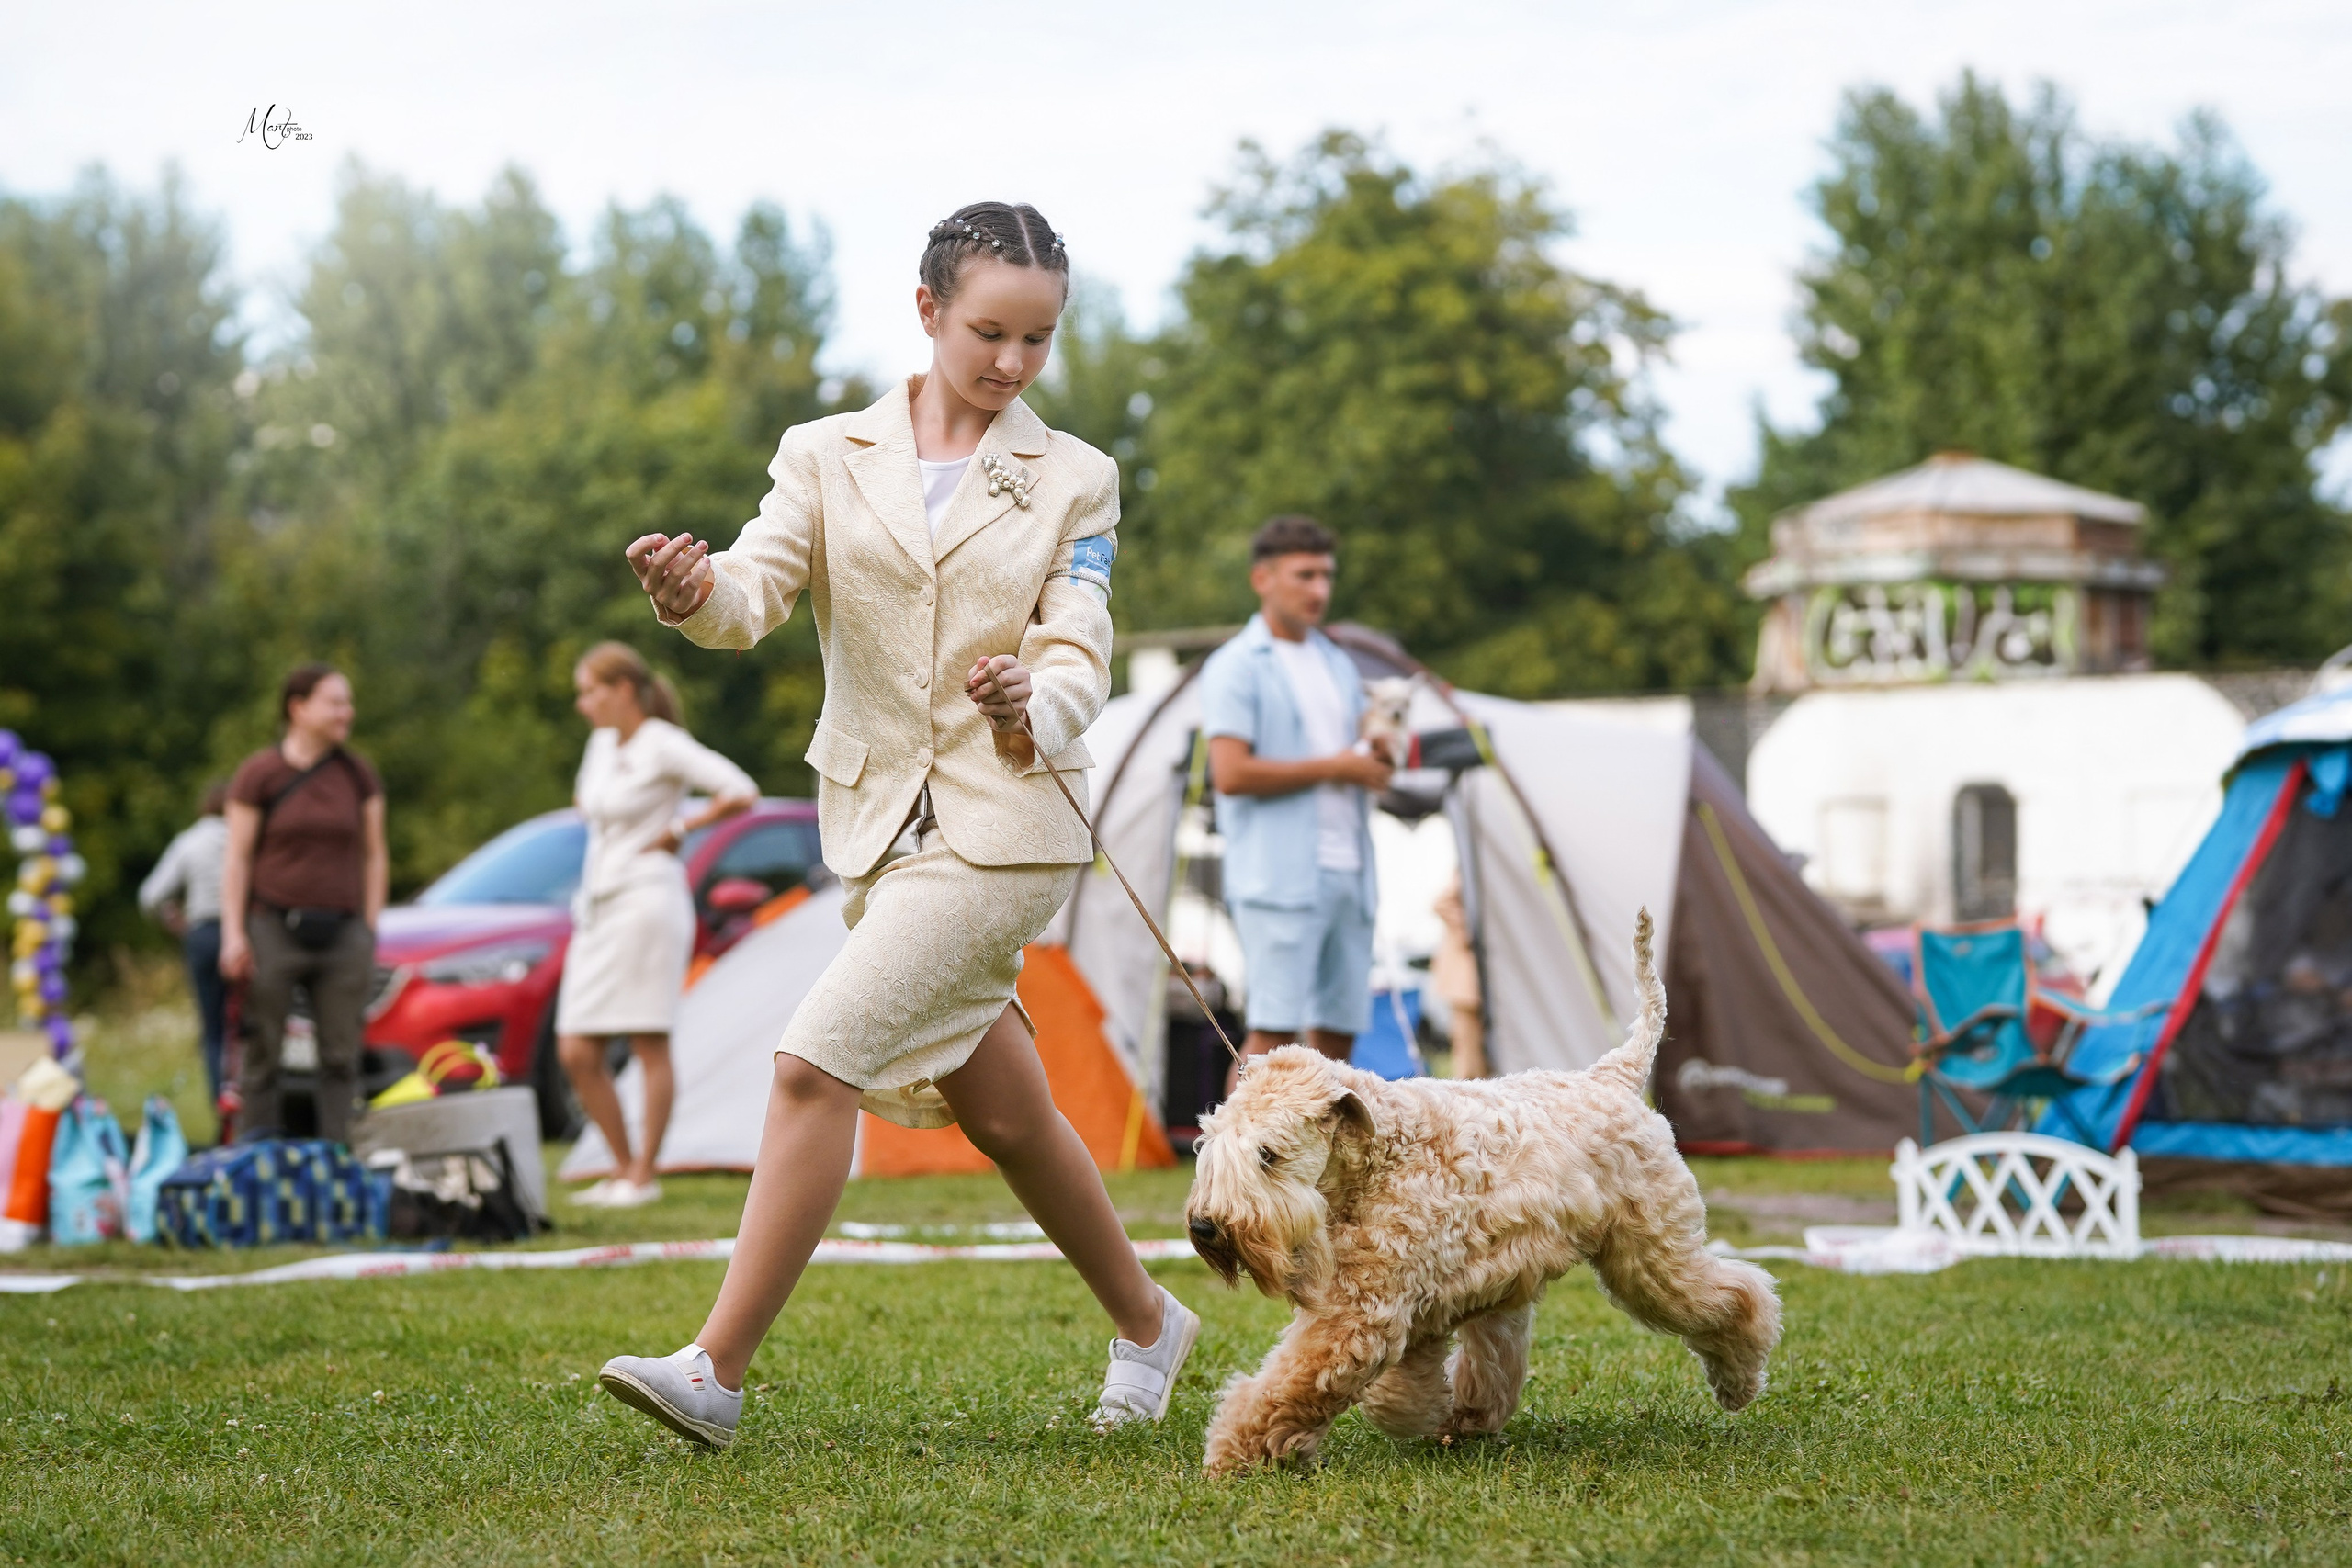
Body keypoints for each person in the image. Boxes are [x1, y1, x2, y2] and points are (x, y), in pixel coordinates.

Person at [594, 202, 1195, 1450]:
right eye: (990, 332)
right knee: (1011, 1115)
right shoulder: (823, 451)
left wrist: (1041, 692)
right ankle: (1148, 1320)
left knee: (815, 1063)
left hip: (1009, 825)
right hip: (875, 824)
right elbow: (754, 591)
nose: (1015, 364)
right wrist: (692, 594)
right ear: (927, 311)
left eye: (1040, 339)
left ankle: (716, 1364)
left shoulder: (1080, 476)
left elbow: (1080, 641)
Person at [559, 641, 758, 1209]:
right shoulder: (600, 745)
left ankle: (643, 1174)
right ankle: (622, 1168)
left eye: (589, 691)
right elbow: (587, 802)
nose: (582, 704)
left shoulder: (664, 744)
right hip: (597, 903)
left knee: (648, 1038)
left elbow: (740, 791)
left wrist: (679, 826)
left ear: (622, 690)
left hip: (647, 900)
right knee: (576, 1048)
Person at [1195, 516, 1392, 1088]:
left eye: (1327, 575)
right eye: (1305, 575)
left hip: (1352, 874)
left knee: (1339, 1038)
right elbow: (1229, 774)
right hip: (1279, 880)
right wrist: (1337, 766)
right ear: (1263, 578)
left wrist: (1377, 752)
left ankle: (1325, 1174)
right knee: (1271, 1040)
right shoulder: (1235, 664)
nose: (1320, 591)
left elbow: (1357, 749)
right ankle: (1231, 1170)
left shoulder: (1335, 660)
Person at [219, 664, 388, 1145]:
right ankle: (258, 1163)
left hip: (343, 932)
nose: (346, 713)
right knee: (263, 1053)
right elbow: (238, 858)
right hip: (273, 927)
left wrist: (369, 927)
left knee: (339, 1056)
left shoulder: (357, 774)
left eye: (348, 703)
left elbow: (375, 853)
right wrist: (234, 934)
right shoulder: (260, 774)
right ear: (299, 708)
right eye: (335, 702)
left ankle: (339, 1164)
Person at [139, 781, 232, 1108]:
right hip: (248, 936)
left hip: (204, 933)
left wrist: (176, 922)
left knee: (213, 1029)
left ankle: (220, 1105)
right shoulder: (249, 839)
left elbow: (151, 895)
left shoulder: (190, 841)